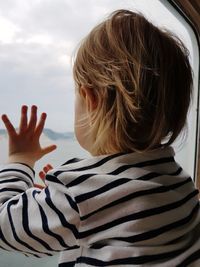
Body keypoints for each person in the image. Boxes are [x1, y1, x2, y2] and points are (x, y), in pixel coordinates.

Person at [0, 9, 200, 267]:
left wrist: (20, 160)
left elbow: (4, 226)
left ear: (90, 100)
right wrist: (59, 201)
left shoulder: (80, 194)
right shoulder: (180, 182)